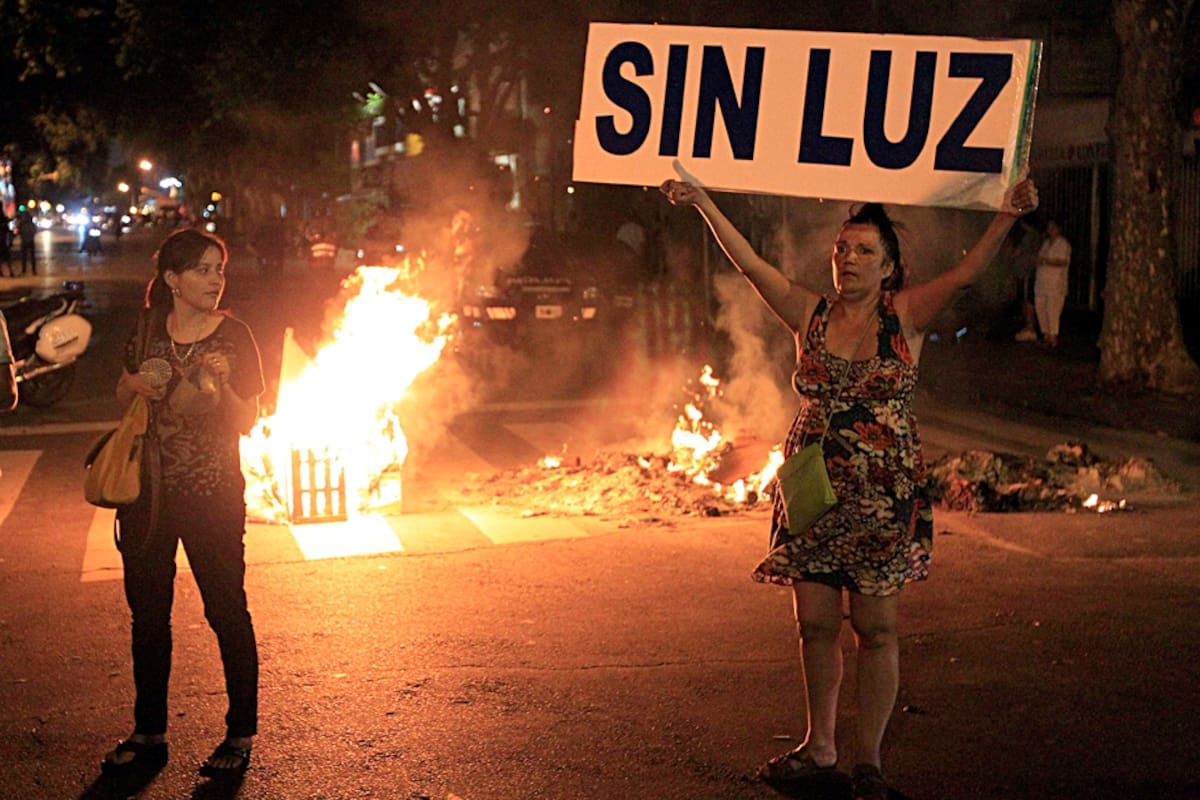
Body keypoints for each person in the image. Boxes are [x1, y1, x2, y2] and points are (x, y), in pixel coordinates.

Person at [660, 175, 1038, 800]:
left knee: (876, 629)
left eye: (864, 251)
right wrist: (704, 204)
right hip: (813, 495)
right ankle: (821, 745)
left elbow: (967, 273)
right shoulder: (809, 314)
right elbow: (754, 267)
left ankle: (868, 761)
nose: (848, 260)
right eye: (842, 249)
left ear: (889, 268)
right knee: (813, 625)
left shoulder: (905, 317)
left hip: (881, 498)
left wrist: (1003, 216)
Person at [101, 228, 265, 782]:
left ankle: (240, 732)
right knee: (148, 615)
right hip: (146, 493)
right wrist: (135, 387)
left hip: (213, 493)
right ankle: (149, 732)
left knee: (225, 610)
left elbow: (248, 420)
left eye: (219, 269)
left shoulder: (236, 336)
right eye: (201, 269)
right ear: (171, 279)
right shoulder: (147, 328)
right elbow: (122, 391)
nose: (215, 280)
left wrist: (222, 388)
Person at [1033, 218, 1070, 348]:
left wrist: (1046, 261)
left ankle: (1053, 336)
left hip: (1055, 283)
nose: (1050, 230)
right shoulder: (1045, 243)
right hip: (1042, 282)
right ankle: (1046, 335)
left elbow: (1062, 261)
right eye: (1049, 227)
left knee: (1052, 309)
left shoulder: (1063, 244)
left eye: (1053, 227)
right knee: (1041, 307)